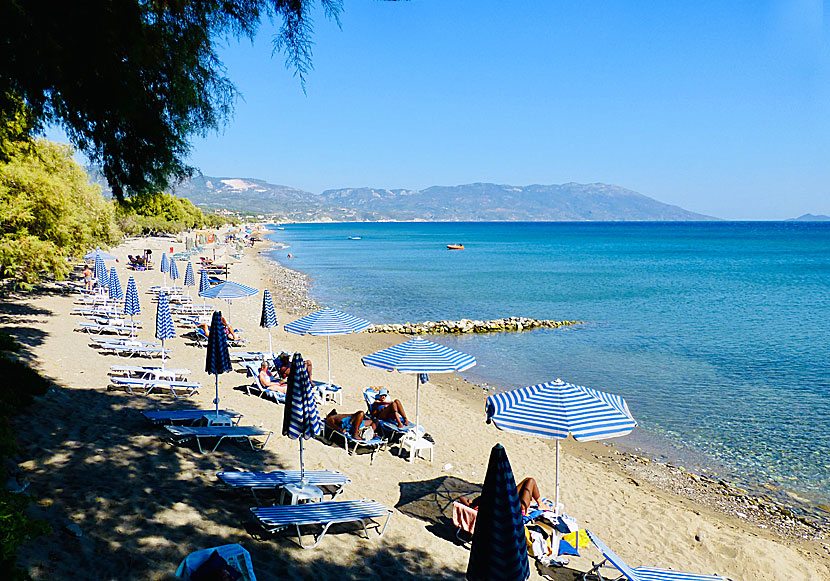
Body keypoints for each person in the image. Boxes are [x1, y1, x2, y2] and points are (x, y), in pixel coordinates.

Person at [458, 477, 553, 515]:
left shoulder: (483, 503)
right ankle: (540, 503)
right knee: (530, 481)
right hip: (516, 509)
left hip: (508, 502)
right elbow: (463, 499)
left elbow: (462, 499)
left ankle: (538, 502)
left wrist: (471, 503)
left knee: (527, 481)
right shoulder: (486, 504)